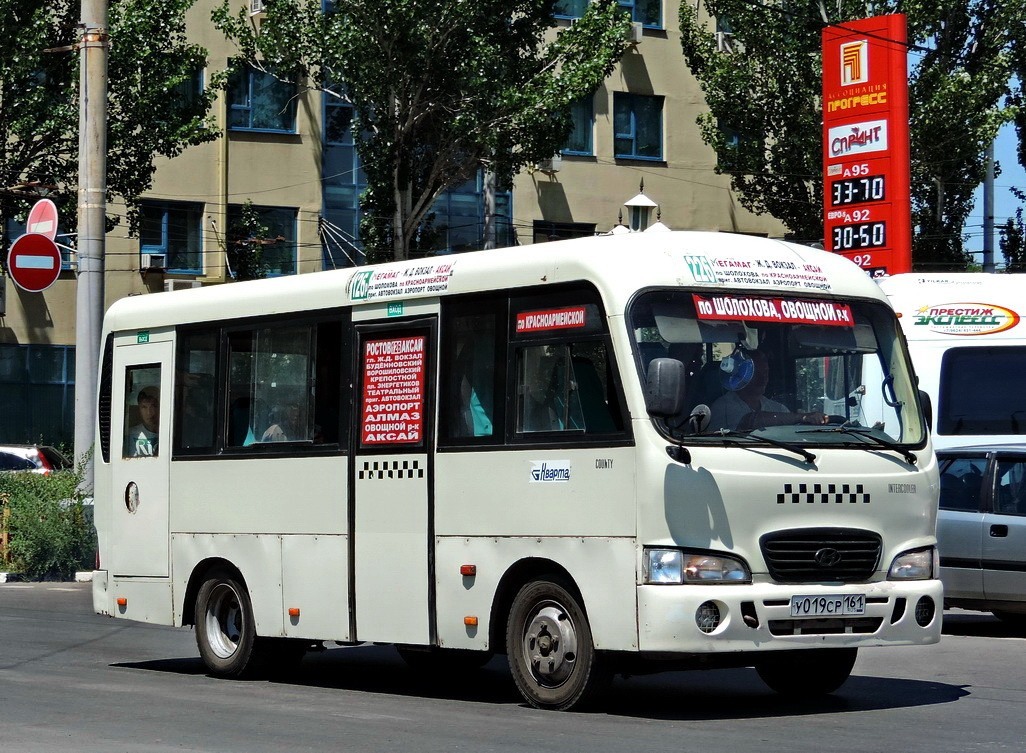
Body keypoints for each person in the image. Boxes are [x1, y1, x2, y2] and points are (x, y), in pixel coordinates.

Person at [708, 348, 827, 431]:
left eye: (766, 372)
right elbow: (750, 421)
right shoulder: (723, 407)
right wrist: (802, 416)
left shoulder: (778, 408)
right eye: (757, 373)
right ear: (740, 373)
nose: (763, 378)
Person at [124, 385, 160, 457]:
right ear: (139, 409)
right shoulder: (130, 434)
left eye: (154, 406)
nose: (149, 412)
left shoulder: (170, 434)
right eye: (144, 407)